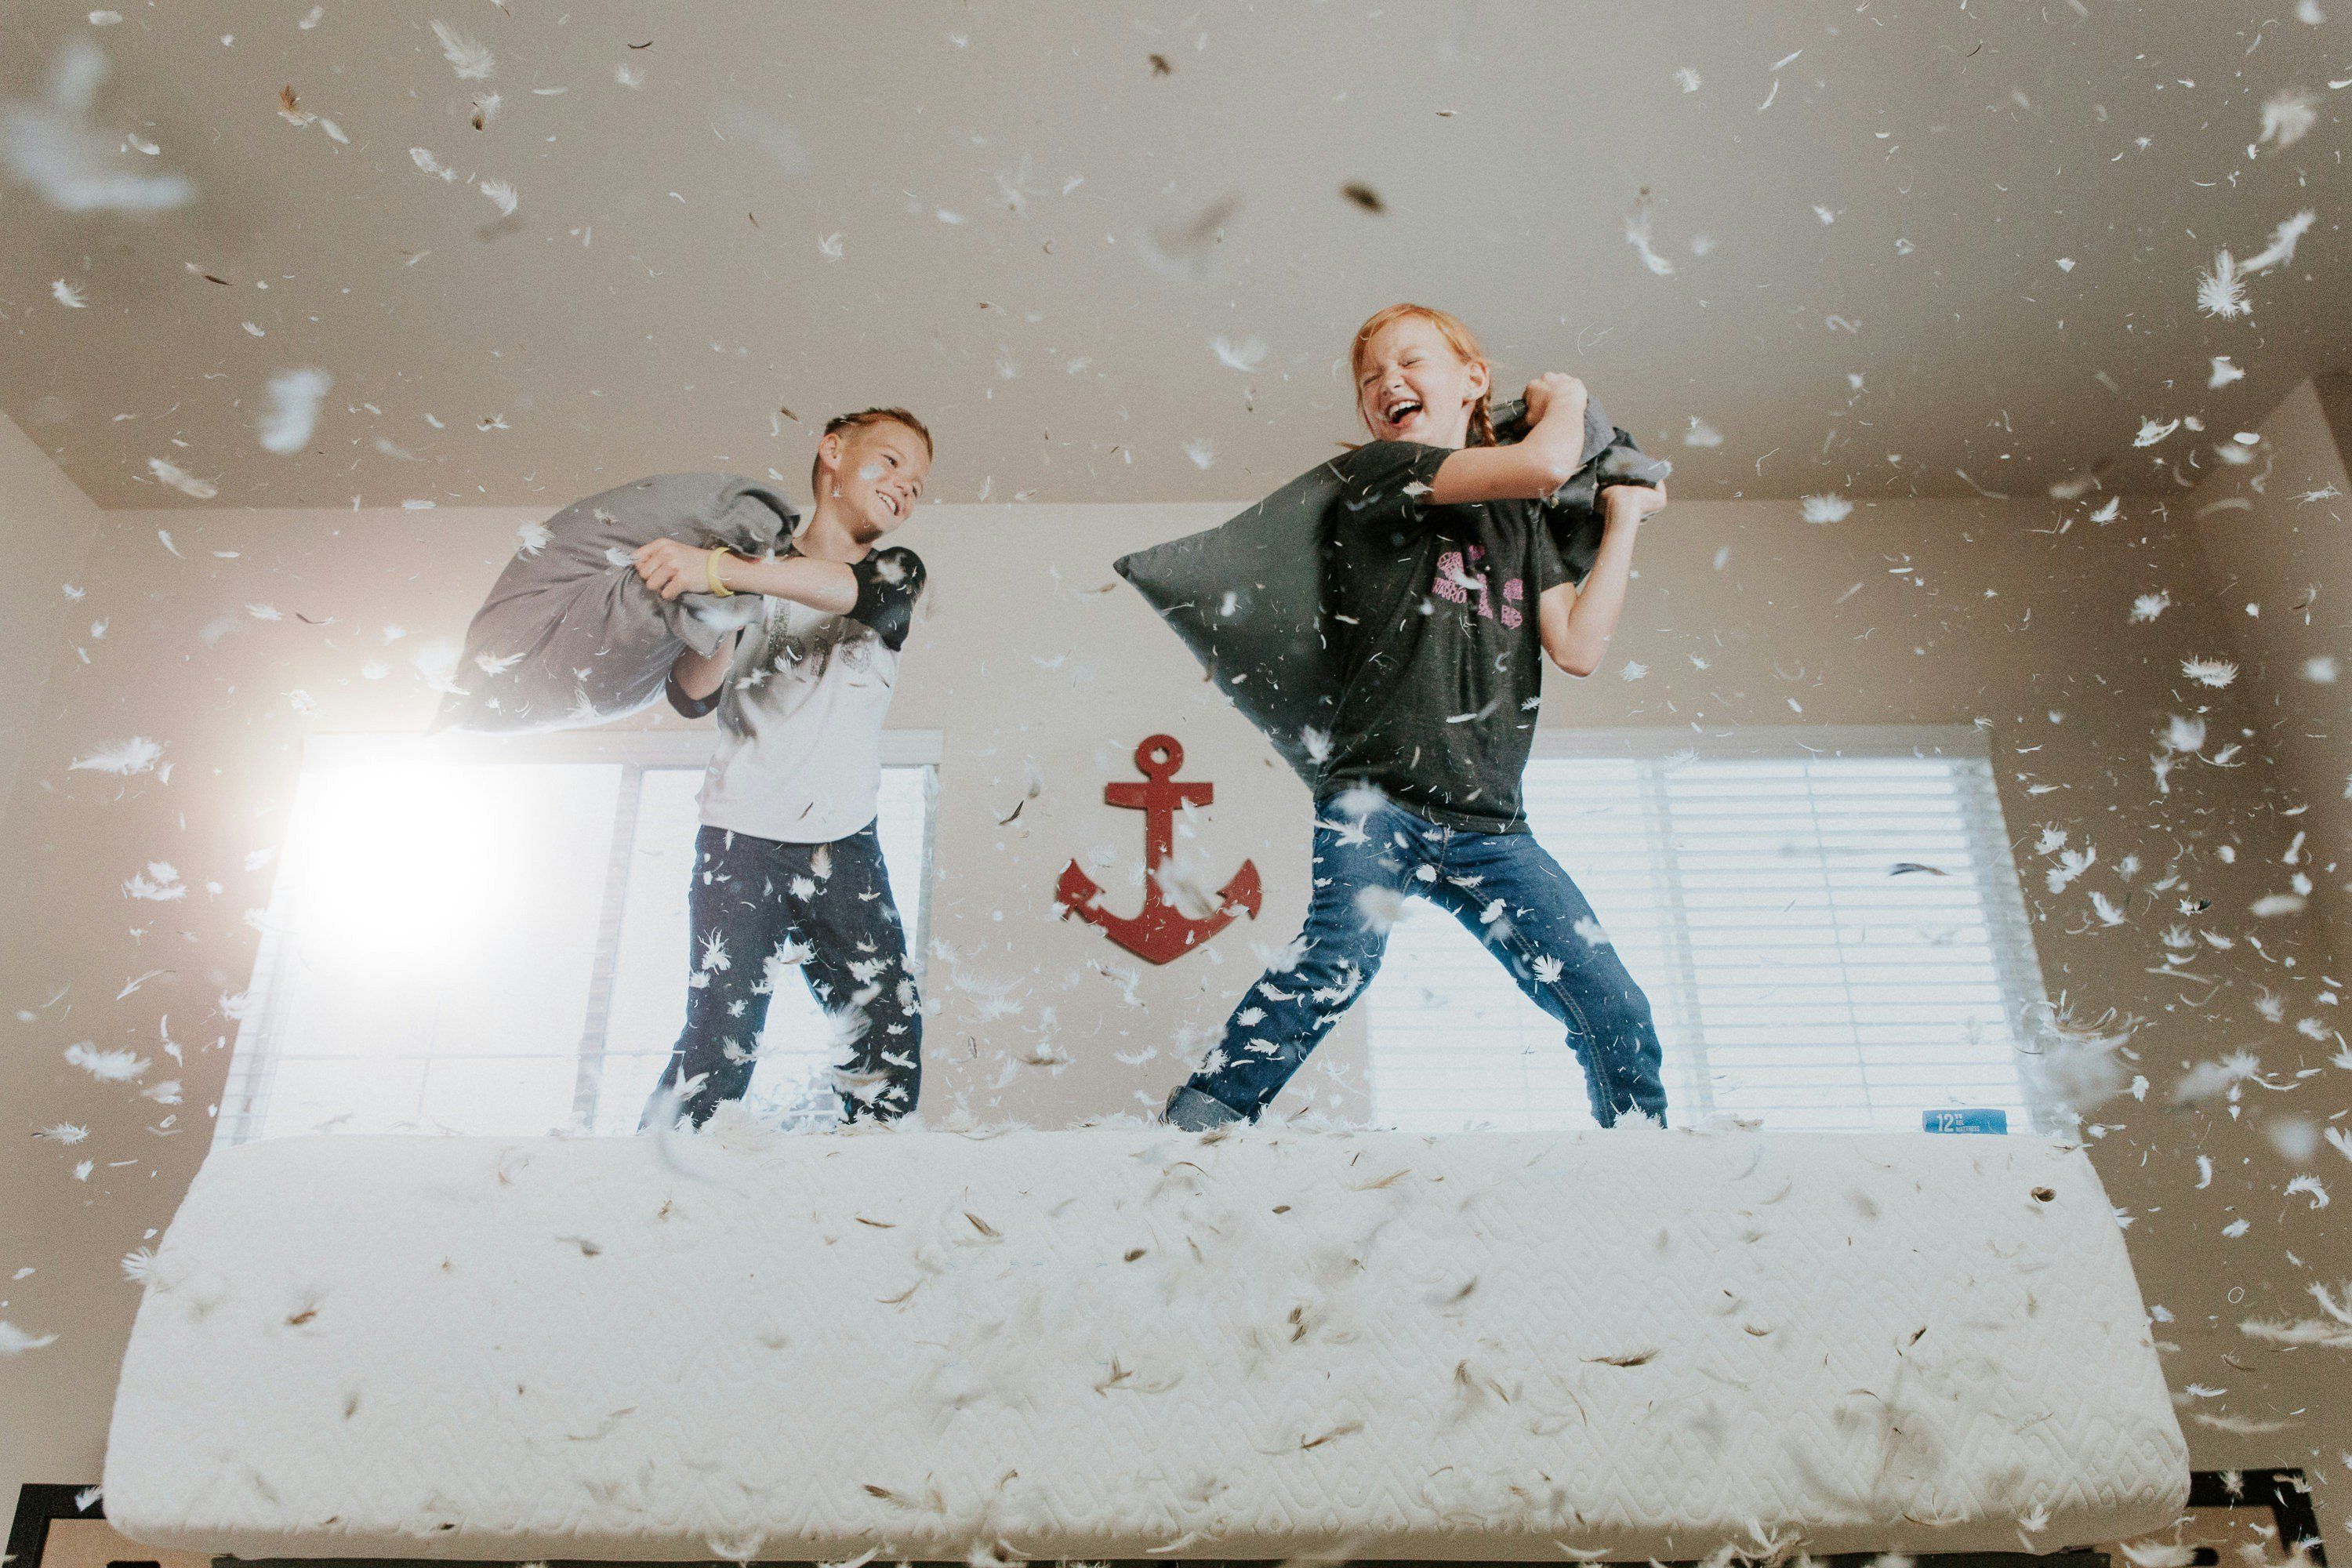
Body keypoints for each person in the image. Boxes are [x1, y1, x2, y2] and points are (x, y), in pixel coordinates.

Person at [1159, 304, 1672, 1132]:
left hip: (1491, 824)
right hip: (1377, 800)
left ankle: (1648, 1153)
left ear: (1474, 381)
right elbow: (1548, 458)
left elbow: (1578, 645)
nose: (1386, 382)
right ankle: (1193, 1129)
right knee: (1335, 962)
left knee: (1612, 1004)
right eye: (1370, 377)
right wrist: (1569, 398)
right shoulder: (1381, 473)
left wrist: (1621, 520)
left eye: (1409, 362)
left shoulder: (1523, 520)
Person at [632, 408, 933, 1131]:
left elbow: (864, 597)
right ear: (833, 452)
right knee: (719, 1042)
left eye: (918, 484)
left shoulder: (894, 570)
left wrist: (721, 569)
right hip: (739, 841)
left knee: (889, 1043)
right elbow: (690, 694)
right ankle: (646, 1178)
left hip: (844, 845)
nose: (905, 486)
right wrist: (724, 601)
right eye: (891, 461)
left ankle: (869, 1182)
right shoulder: (748, 568)